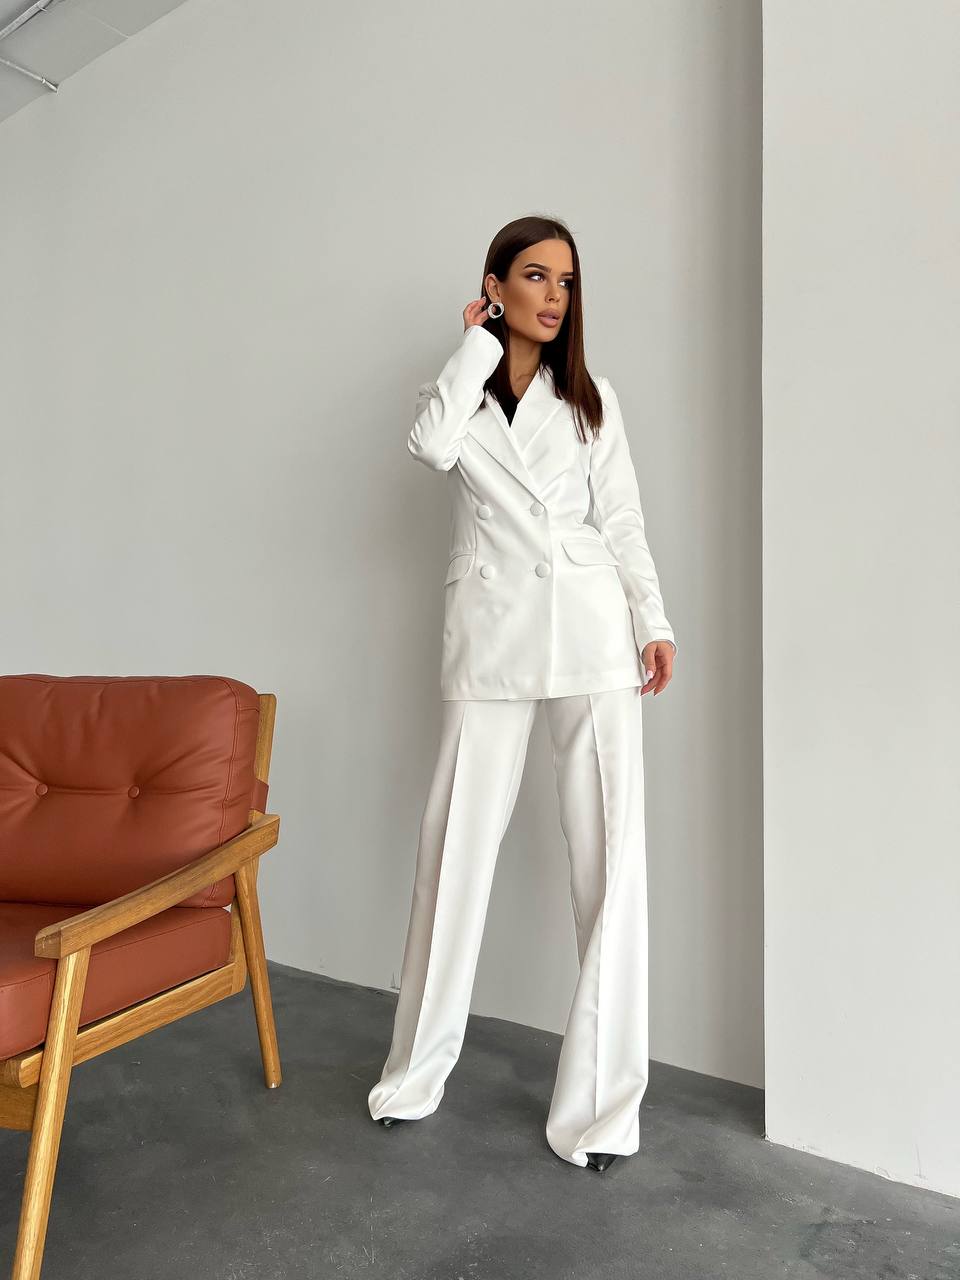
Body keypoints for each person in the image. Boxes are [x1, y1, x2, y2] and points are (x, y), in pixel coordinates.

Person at [367, 214, 677, 1173]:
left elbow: (620, 516)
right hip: (496, 635)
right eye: (534, 277)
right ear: (497, 285)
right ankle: (413, 1077)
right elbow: (429, 446)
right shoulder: (457, 390)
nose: (554, 295)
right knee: (453, 849)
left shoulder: (592, 400)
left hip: (592, 630)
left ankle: (599, 1113)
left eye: (567, 282)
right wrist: (475, 340)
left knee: (610, 865)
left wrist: (653, 621)